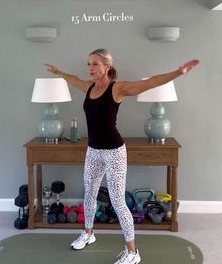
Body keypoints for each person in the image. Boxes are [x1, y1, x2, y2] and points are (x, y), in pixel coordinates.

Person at [45, 49, 199, 264]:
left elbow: (151, 83)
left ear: (107, 66)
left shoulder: (117, 88)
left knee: (118, 202)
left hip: (115, 152)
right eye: (89, 64)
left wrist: (179, 72)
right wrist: (58, 71)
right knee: (89, 194)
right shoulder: (89, 87)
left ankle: (133, 252)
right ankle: (89, 233)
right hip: (93, 151)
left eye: (95, 64)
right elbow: (74, 80)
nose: (90, 68)